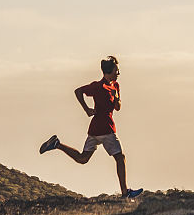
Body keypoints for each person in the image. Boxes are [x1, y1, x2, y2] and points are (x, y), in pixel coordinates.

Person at [39, 56, 143, 199]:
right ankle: (125, 193)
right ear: (108, 71)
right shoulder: (97, 86)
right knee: (120, 158)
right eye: (116, 70)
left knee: (83, 158)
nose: (118, 73)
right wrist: (86, 109)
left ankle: (57, 144)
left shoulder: (115, 86)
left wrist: (116, 97)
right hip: (106, 129)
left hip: (95, 129)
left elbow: (118, 107)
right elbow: (78, 91)